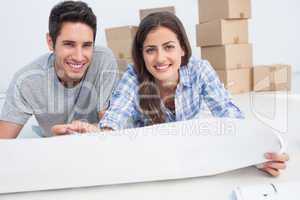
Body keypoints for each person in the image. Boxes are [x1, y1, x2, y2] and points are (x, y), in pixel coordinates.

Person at [52, 12, 289, 177]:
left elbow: (228, 112)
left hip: (187, 153)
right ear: (141, 54)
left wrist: (256, 152)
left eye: (169, 47)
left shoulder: (199, 69)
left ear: (183, 48)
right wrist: (96, 135)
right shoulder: (134, 76)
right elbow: (116, 117)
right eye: (150, 50)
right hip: (147, 157)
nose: (160, 58)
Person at [0, 1, 119, 138]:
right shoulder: (26, 80)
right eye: (69, 44)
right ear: (50, 42)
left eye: (86, 45)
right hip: (53, 148)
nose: (79, 57)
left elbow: (111, 127)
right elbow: (3, 143)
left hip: (97, 143)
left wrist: (88, 131)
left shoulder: (104, 60)